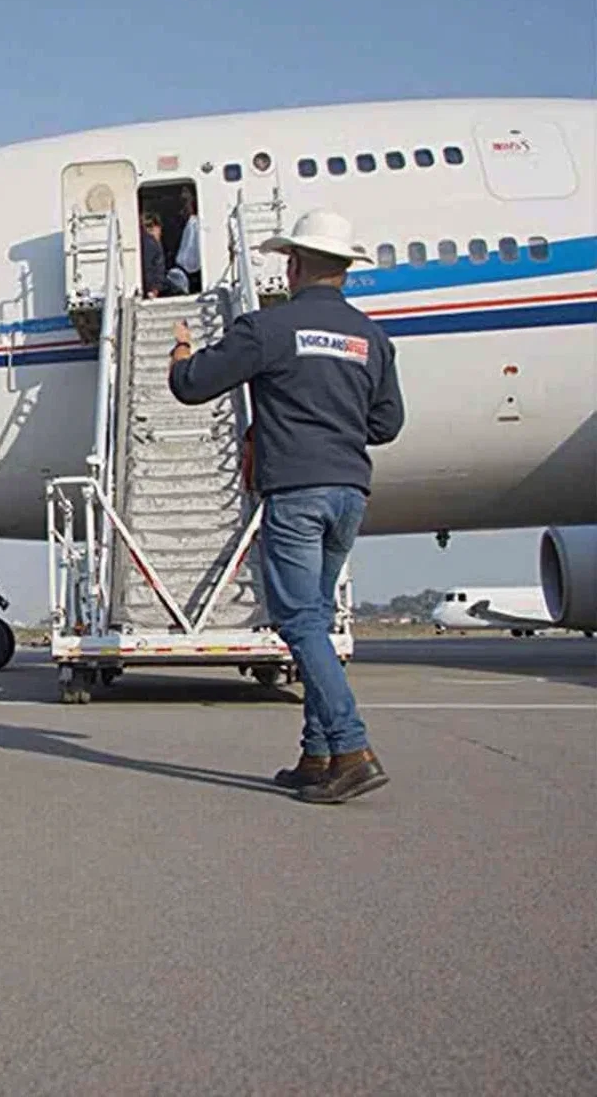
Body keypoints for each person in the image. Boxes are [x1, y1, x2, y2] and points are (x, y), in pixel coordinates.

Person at [167, 208, 405, 804]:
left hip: (296, 492)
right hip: (349, 492)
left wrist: (178, 355)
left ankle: (352, 749)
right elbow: (387, 423)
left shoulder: (268, 331)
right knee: (316, 623)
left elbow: (193, 385)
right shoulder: (371, 338)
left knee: (299, 623)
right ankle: (318, 754)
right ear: (346, 272)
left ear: (293, 264)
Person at [139, 209, 167, 297]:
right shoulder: (152, 244)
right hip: (151, 289)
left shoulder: (145, 243)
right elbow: (153, 268)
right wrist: (155, 288)